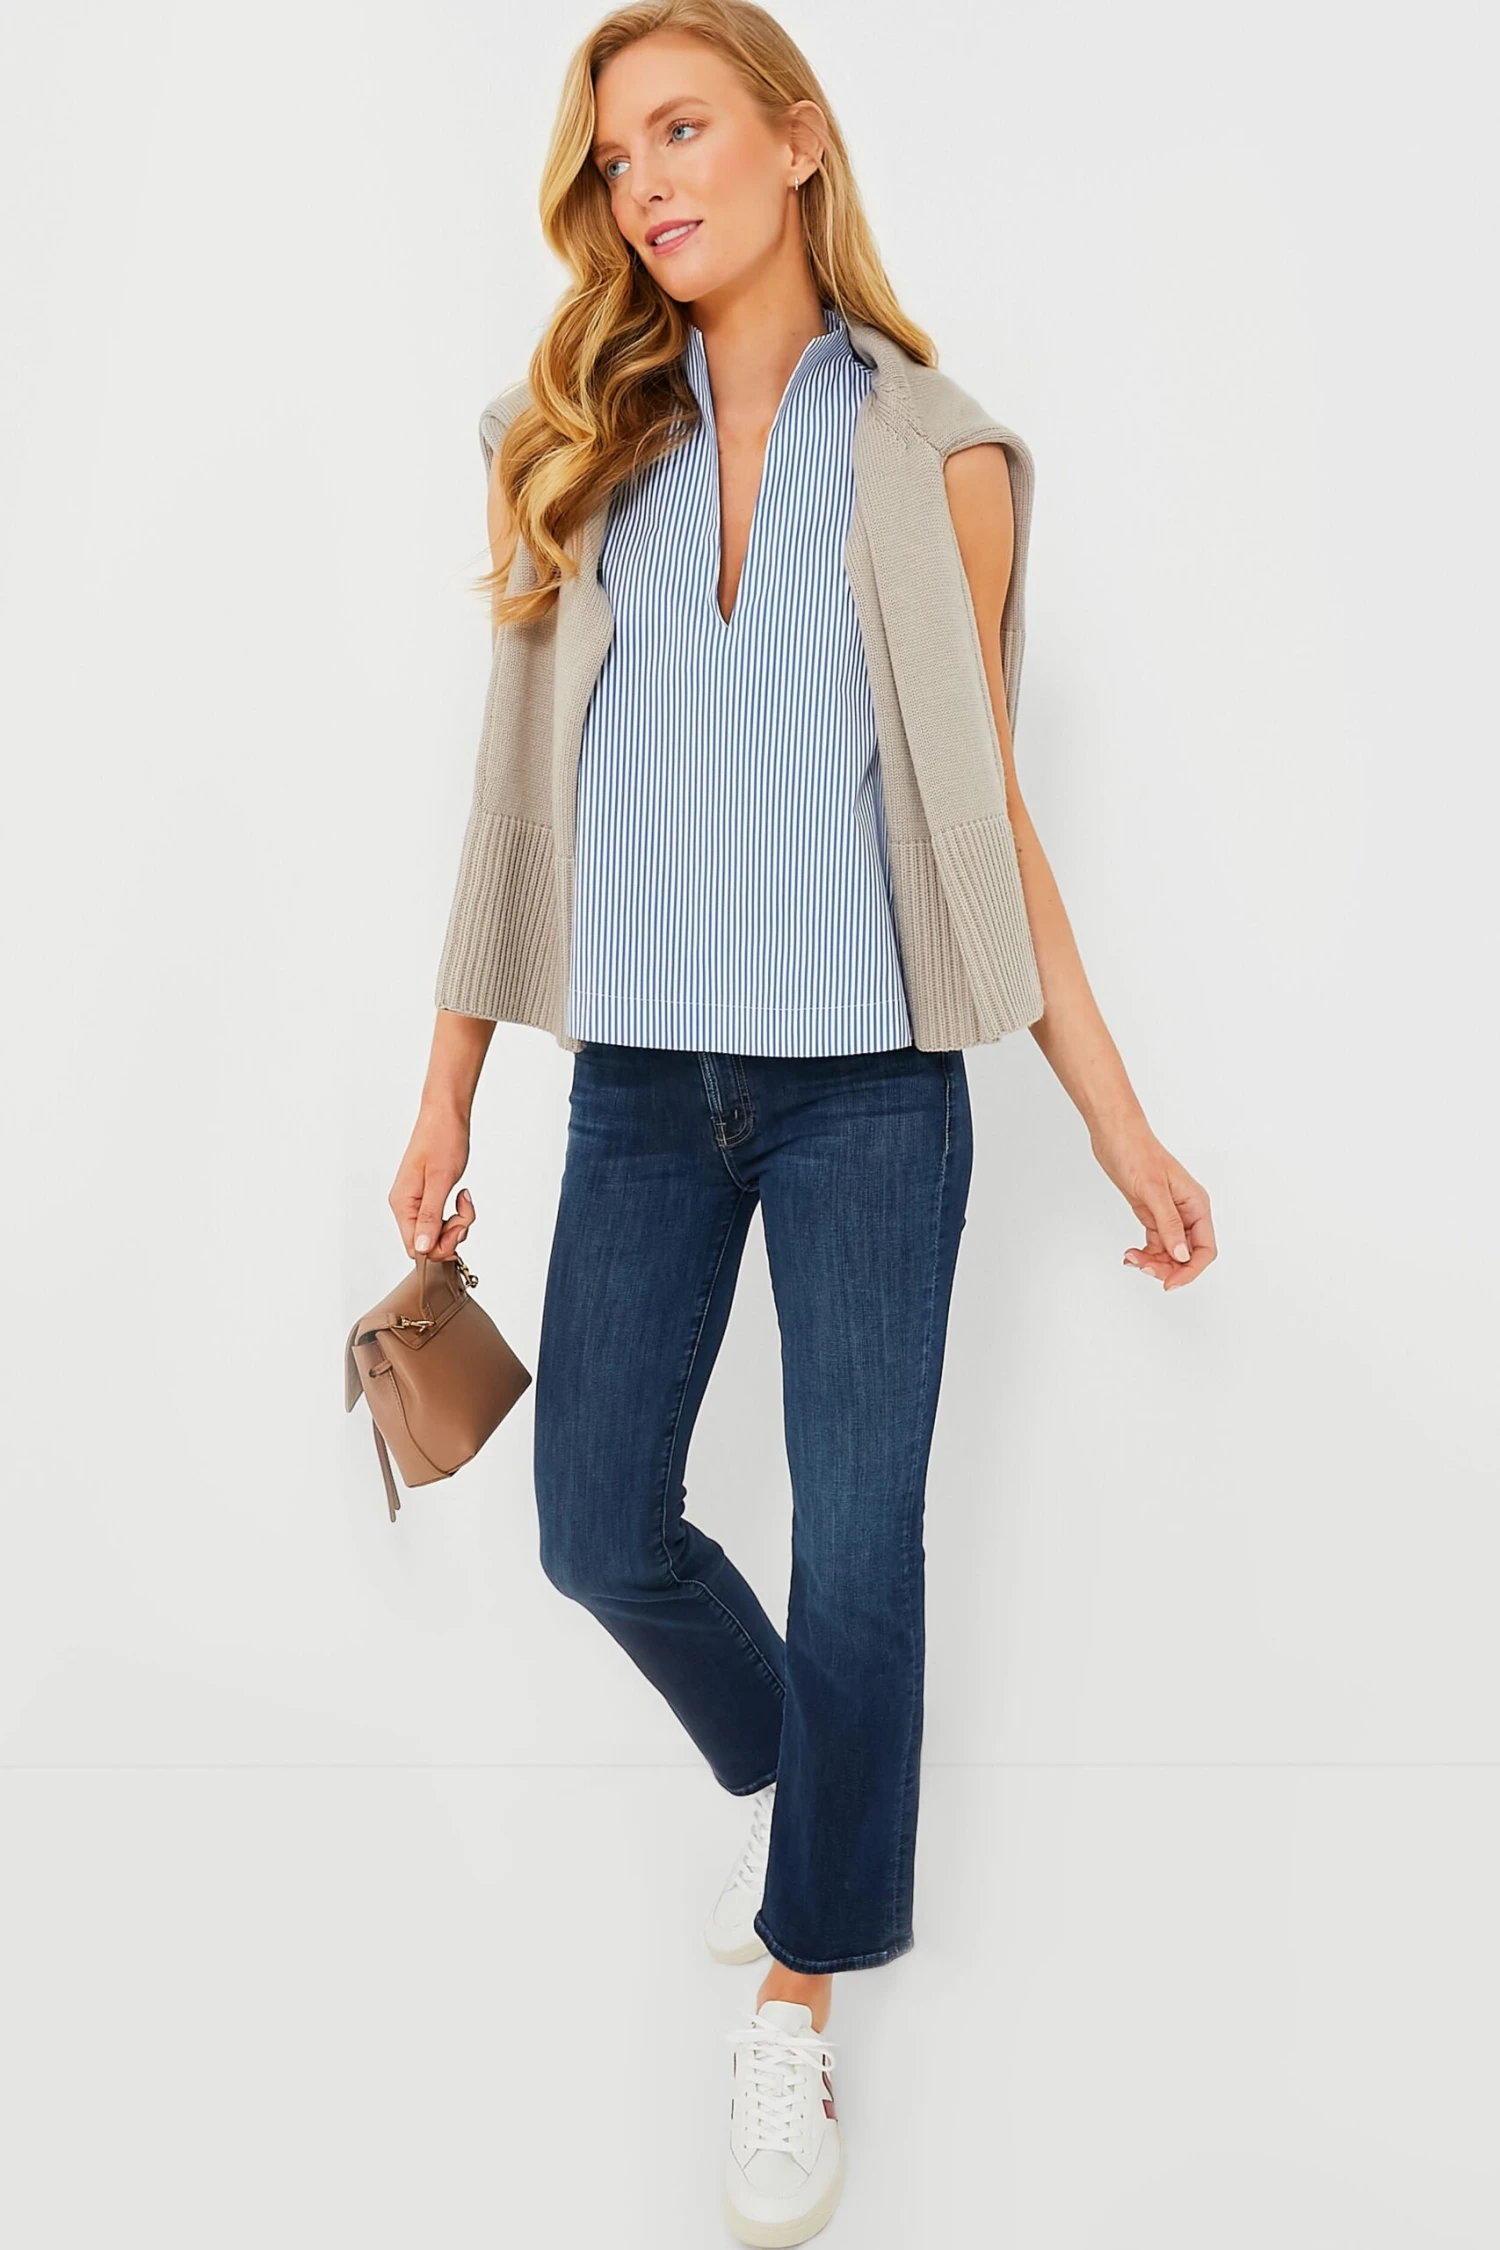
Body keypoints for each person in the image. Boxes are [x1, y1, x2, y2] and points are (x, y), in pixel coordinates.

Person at [389, 3, 1217, 2240]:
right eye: (616, 154)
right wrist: (449, 1082)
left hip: (871, 1098)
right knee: (592, 1526)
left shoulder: (940, 458)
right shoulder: (569, 442)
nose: (648, 181)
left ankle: (796, 1996)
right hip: (643, 1089)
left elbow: (987, 823)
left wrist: (1122, 1126)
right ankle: (811, 1784)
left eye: (683, 129)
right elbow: (507, 793)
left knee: (863, 1549)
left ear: (796, 142)